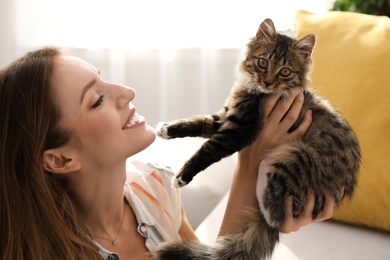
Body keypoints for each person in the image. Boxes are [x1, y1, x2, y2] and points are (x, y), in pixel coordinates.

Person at [0, 47, 336, 260]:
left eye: (104, 80)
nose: (127, 92)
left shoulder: (156, 188)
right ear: (60, 159)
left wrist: (263, 223)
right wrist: (248, 161)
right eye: (97, 99)